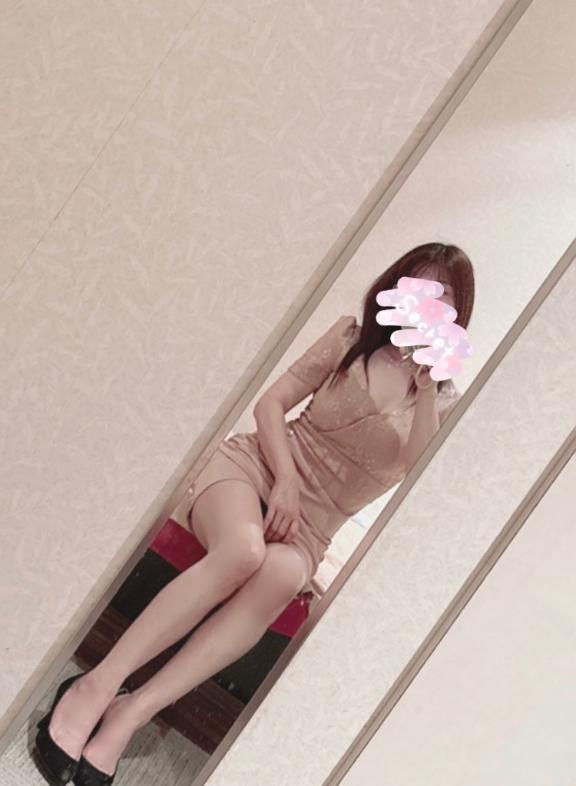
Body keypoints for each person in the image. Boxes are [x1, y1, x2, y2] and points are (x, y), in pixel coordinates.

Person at [34, 242, 475, 785]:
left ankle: (133, 711)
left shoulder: (444, 402)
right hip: (260, 466)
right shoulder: (349, 339)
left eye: (444, 296)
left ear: (458, 314)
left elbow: (421, 475)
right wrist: (285, 478)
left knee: (282, 576)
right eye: (421, 285)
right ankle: (96, 685)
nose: (429, 303)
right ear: (398, 287)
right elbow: (271, 403)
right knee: (243, 551)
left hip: (315, 524)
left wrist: (427, 386)